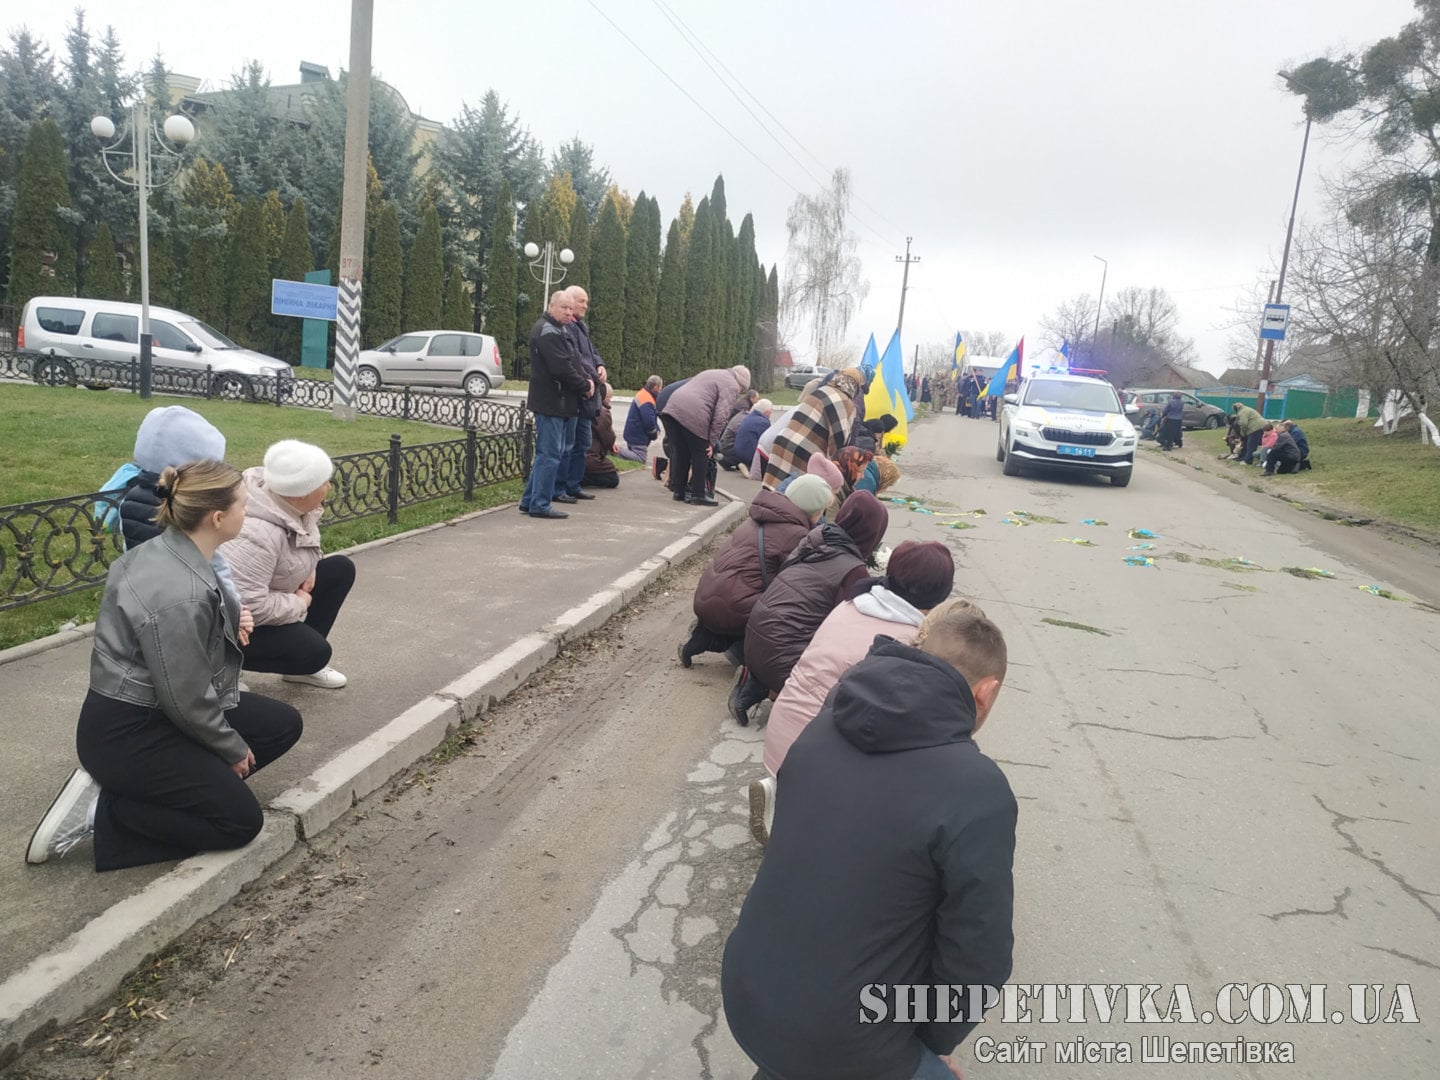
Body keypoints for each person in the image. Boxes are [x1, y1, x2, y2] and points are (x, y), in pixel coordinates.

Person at [722, 599, 1013, 1080]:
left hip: (745, 991)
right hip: (842, 1043)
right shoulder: (976, 788)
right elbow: (978, 960)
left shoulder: (826, 721)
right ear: (986, 693)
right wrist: (929, 1047)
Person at [26, 460, 303, 871]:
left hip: (155, 708)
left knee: (281, 725)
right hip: (129, 732)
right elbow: (185, 695)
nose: (248, 512)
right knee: (239, 823)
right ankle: (103, 809)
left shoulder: (170, 550)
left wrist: (232, 618)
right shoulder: (181, 593)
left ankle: (179, 788)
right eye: (244, 505)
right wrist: (229, 747)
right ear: (217, 517)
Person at [750, 541, 955, 846]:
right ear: (942, 593)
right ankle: (808, 821)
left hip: (781, 735)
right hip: (817, 759)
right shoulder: (910, 642)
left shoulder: (851, 605)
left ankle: (783, 795)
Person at [729, 490, 890, 725]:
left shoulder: (815, 538)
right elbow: (846, 632)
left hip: (753, 638)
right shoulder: (854, 570)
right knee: (844, 682)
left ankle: (758, 680)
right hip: (781, 654)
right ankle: (770, 687)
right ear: (872, 533)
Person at [221, 440, 355, 689]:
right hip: (236, 625)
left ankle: (300, 671)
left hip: (273, 592)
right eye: (324, 482)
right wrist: (300, 602)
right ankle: (225, 665)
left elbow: (299, 542)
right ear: (302, 491)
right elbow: (248, 608)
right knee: (314, 652)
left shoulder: (291, 505)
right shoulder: (256, 534)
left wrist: (311, 566)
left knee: (339, 569)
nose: (329, 486)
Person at [679, 474, 833, 668]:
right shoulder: (798, 535)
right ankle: (745, 655)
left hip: (705, 600)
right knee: (796, 607)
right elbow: (798, 586)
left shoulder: (756, 518)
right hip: (737, 609)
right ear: (814, 511)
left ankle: (705, 636)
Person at [519, 290, 593, 520]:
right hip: (552, 401)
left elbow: (572, 361)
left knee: (549, 453)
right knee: (550, 454)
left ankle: (530, 500)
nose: (569, 312)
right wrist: (584, 385)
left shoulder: (558, 329)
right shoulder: (548, 331)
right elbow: (561, 368)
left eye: (571, 308)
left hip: (556, 401)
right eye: (564, 308)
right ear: (552, 306)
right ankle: (540, 504)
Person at [659, 365, 752, 506]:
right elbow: (721, 416)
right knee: (701, 452)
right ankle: (698, 494)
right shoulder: (732, 385)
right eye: (742, 390)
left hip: (672, 408)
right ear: (742, 384)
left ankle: (679, 491)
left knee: (681, 451)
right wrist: (711, 442)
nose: (739, 392)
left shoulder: (714, 372)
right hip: (694, 412)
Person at [761, 368, 864, 490]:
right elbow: (839, 439)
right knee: (794, 495)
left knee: (771, 491)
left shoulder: (820, 391)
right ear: (856, 386)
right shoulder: (846, 403)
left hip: (782, 442)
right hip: (805, 453)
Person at [559, 286, 604, 504]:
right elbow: (576, 357)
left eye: (586, 301)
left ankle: (574, 485)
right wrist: (592, 377)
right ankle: (561, 487)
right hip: (577, 393)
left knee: (583, 443)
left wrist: (600, 364)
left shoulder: (581, 326)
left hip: (587, 395)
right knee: (568, 444)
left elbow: (591, 352)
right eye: (581, 301)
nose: (585, 305)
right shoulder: (568, 327)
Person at [583, 383, 621, 489]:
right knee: (613, 479)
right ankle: (582, 478)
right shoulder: (602, 412)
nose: (610, 400)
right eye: (609, 397)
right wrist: (611, 444)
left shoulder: (582, 406)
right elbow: (608, 440)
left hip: (579, 455)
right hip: (591, 458)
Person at [620, 375, 663, 464]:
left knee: (634, 455)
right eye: (660, 387)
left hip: (633, 432)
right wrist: (654, 432)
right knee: (641, 458)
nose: (661, 390)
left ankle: (616, 451)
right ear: (655, 387)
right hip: (638, 436)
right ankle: (615, 451)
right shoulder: (648, 400)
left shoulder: (643, 394)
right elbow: (649, 422)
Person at [733, 398, 773, 479]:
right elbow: (766, 442)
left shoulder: (748, 417)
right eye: (771, 411)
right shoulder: (764, 422)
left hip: (738, 452)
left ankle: (747, 467)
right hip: (749, 454)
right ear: (767, 412)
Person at [718, 392, 759, 470]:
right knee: (746, 452)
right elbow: (742, 435)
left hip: (725, 441)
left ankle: (733, 461)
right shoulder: (744, 413)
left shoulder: (743, 411)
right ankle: (727, 461)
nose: (757, 401)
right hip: (728, 445)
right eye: (756, 399)